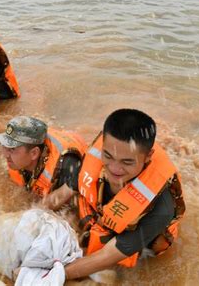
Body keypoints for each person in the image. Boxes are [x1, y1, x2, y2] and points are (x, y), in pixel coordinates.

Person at [59, 109, 186, 279]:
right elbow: (62, 194)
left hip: (143, 239)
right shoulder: (97, 154)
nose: (114, 168)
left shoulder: (162, 207)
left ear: (148, 157)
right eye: (108, 156)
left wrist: (53, 275)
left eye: (127, 162)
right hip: (106, 216)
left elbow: (107, 256)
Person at [0, 116, 87, 200]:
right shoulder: (16, 158)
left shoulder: (64, 168)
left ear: (34, 153)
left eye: (12, 149)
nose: (5, 155)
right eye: (4, 145)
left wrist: (46, 205)